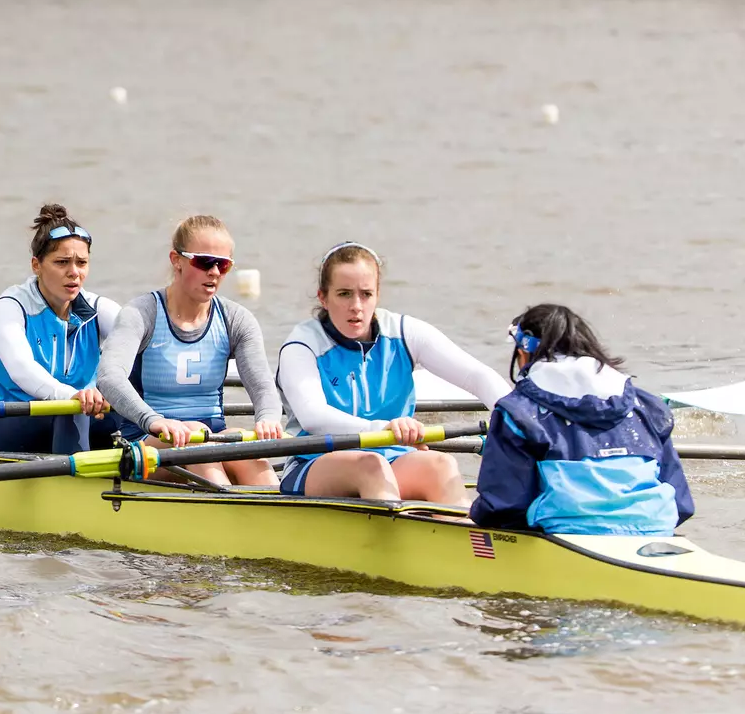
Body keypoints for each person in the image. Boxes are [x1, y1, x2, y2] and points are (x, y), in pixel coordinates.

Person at [275, 242, 511, 503]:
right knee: (371, 465)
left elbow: (477, 376)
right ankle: (393, 539)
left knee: (441, 465)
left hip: (391, 455)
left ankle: (465, 538)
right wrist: (384, 427)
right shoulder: (302, 345)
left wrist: (516, 417)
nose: (356, 305)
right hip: (314, 461)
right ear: (323, 297)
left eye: (366, 294)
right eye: (344, 294)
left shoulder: (404, 332)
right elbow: (313, 418)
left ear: (377, 295)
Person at [470, 304, 693, 535]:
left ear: (523, 352)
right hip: (654, 529)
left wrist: (475, 513)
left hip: (566, 536)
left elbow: (504, 507)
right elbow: (682, 505)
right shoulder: (647, 405)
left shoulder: (517, 412)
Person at [96, 214, 283, 486]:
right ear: (177, 261)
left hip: (208, 439)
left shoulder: (236, 319)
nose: (215, 272)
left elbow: (264, 387)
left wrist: (267, 419)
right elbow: (109, 377)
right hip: (145, 443)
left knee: (249, 454)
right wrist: (154, 421)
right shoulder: (141, 313)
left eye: (224, 265)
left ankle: (280, 510)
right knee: (196, 434)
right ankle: (230, 510)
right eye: (204, 262)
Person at [0, 204, 120, 454]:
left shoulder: (99, 308)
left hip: (78, 417)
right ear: (36, 265)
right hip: (6, 425)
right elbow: (23, 371)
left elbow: (143, 345)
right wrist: (75, 396)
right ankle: (73, 488)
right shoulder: (10, 308)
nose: (73, 272)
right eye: (62, 262)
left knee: (131, 409)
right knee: (68, 409)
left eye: (81, 263)